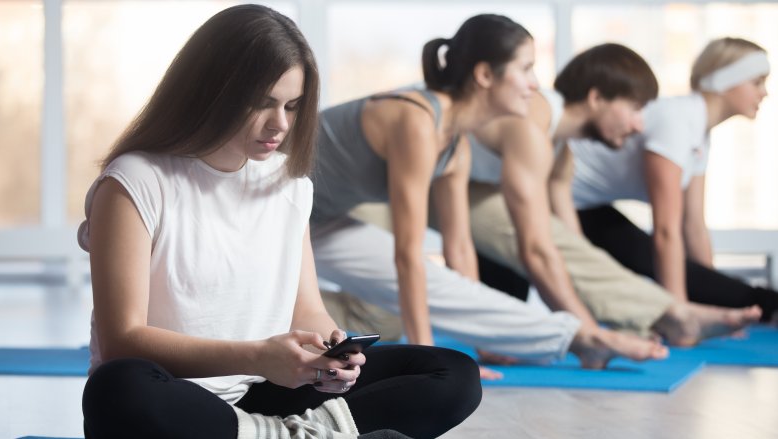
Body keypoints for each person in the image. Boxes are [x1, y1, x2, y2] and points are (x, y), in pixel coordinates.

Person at [77, 5, 482, 439]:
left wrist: (331, 353)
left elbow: (305, 306)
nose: (281, 124)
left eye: (292, 105)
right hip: (177, 394)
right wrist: (255, 357)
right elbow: (122, 340)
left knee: (452, 373)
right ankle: (307, 433)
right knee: (117, 390)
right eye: (263, 104)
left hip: (260, 391)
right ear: (211, 91)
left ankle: (274, 434)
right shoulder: (134, 180)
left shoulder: (289, 183)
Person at [311, 14, 669, 376]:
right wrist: (431, 364)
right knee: (409, 280)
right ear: (484, 76)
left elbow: (460, 249)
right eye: (526, 69)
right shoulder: (418, 121)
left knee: (441, 284)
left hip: (319, 224)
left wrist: (482, 341)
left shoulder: (457, 143)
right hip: (274, 214)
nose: (534, 85)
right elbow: (408, 255)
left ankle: (582, 340)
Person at [465, 43, 761, 347]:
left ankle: (667, 316)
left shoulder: (561, 155)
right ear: (596, 98)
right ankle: (663, 319)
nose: (639, 124)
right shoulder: (537, 121)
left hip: (472, 185)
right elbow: (537, 250)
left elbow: (574, 249)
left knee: (573, 252)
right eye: (634, 108)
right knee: (541, 245)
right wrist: (591, 334)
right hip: (455, 184)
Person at [570, 37, 777, 323]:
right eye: (757, 82)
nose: (764, 93)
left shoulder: (700, 132)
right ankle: (764, 306)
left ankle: (752, 307)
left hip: (589, 208)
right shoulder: (678, 120)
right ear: (726, 81)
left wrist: (713, 307)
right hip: (567, 203)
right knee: (645, 253)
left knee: (667, 260)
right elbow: (666, 230)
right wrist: (686, 316)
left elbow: (693, 226)